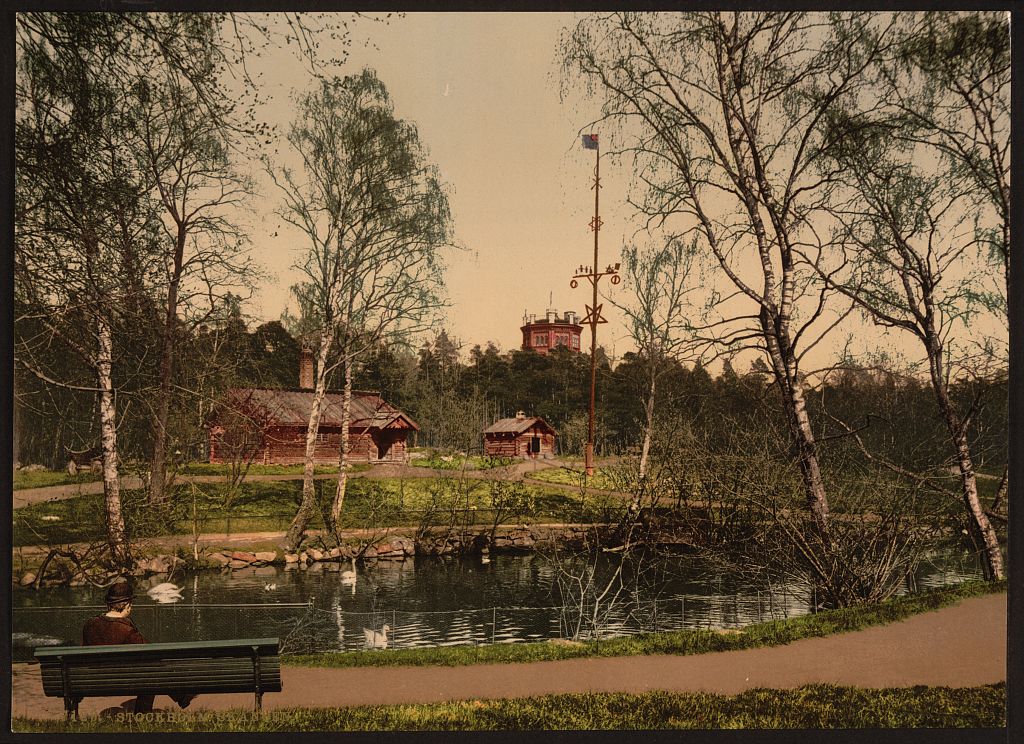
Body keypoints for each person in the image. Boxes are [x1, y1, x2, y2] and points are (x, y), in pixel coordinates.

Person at [83, 580, 194, 713]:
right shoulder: (126, 630)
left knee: (151, 670)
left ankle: (181, 697)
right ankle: (149, 711)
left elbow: (83, 650)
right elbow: (149, 651)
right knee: (152, 671)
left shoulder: (90, 624)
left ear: (109, 604)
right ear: (128, 605)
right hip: (122, 680)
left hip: (93, 679)